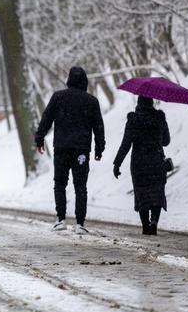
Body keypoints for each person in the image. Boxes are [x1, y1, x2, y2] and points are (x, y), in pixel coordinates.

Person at [35, 66, 105, 234]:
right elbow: (98, 126)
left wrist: (39, 138)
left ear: (69, 80)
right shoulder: (91, 101)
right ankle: (80, 223)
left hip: (61, 148)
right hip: (81, 150)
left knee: (60, 183)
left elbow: (46, 119)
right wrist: (99, 148)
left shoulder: (58, 97)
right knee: (80, 186)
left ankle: (61, 219)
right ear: (85, 81)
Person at [113, 96, 170, 235]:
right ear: (151, 103)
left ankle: (145, 225)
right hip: (156, 161)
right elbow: (166, 141)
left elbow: (125, 144)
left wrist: (117, 163)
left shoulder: (133, 120)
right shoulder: (159, 118)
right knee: (157, 193)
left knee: (142, 194)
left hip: (139, 164)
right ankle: (154, 221)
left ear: (138, 104)